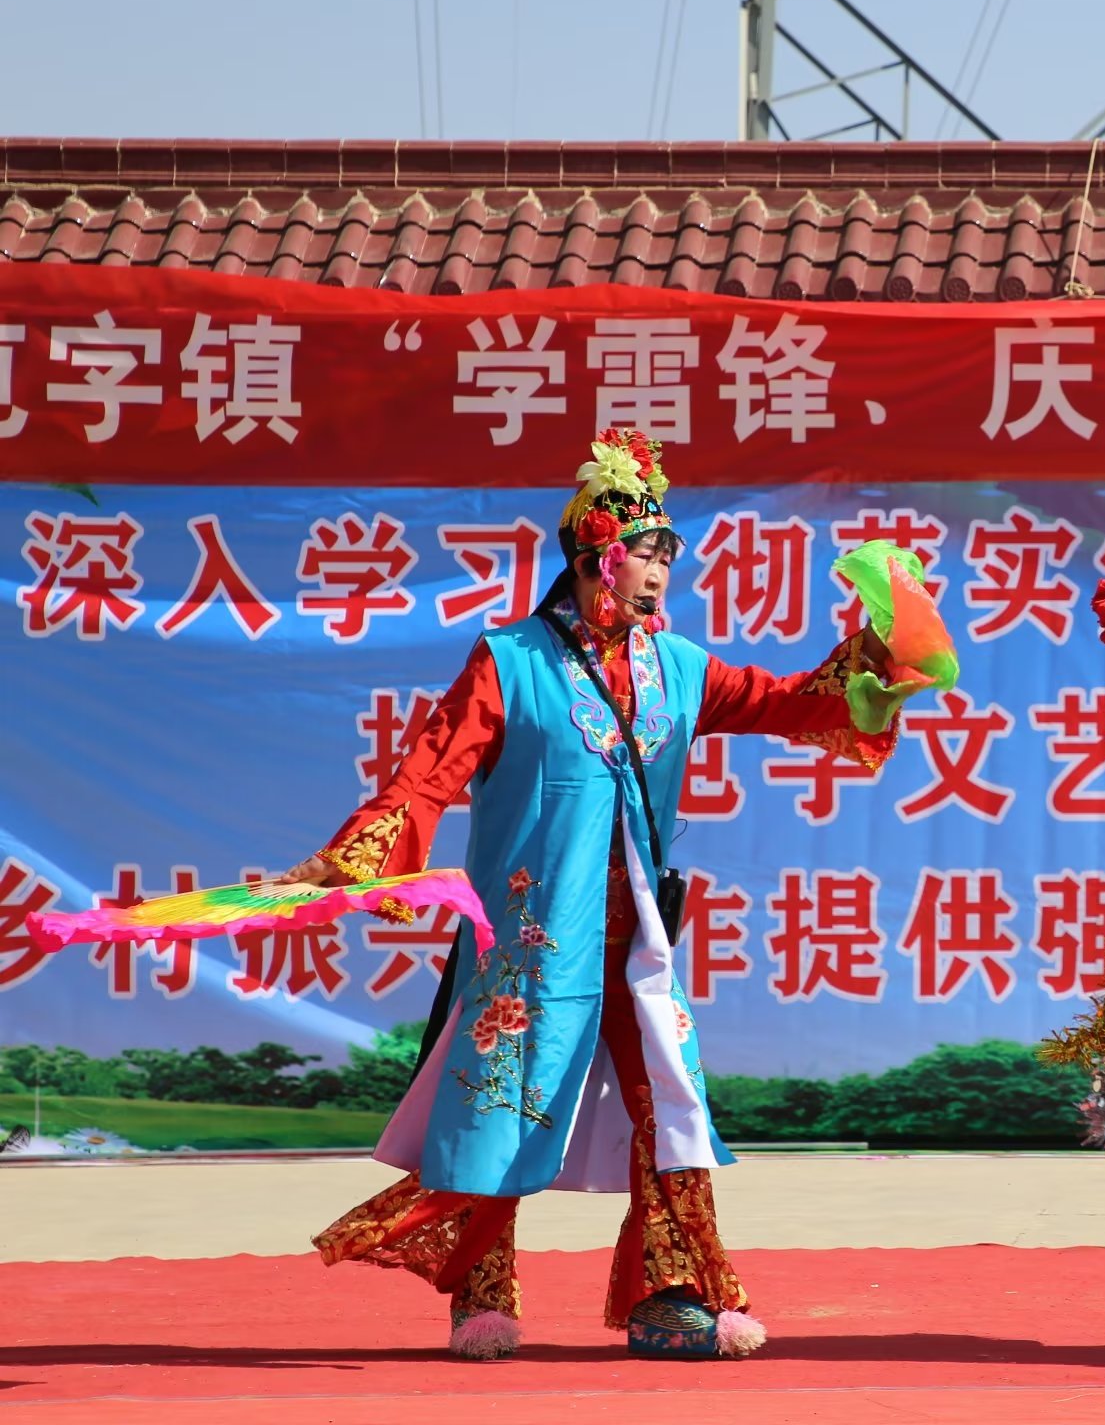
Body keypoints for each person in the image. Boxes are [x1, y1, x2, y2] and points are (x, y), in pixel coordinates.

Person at [296, 429, 910, 1360]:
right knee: (500, 1107)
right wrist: (346, 861)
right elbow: (427, 773)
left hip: (639, 941)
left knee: (671, 1105)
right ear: (595, 561)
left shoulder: (683, 668)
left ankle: (669, 1298)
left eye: (668, 556)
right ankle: (483, 1295)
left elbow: (793, 700)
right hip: (531, 942)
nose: (660, 574)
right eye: (645, 555)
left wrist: (881, 659)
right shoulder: (511, 661)